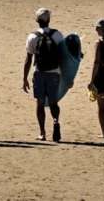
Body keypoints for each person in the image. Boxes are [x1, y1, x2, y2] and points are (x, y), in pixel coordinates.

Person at [23, 8, 65, 141]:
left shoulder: (32, 37)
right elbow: (64, 57)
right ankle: (56, 120)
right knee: (53, 102)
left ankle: (42, 132)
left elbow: (28, 59)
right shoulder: (57, 35)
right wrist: (66, 76)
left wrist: (24, 78)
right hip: (55, 73)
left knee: (40, 103)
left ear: (37, 21)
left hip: (39, 73)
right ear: (49, 20)